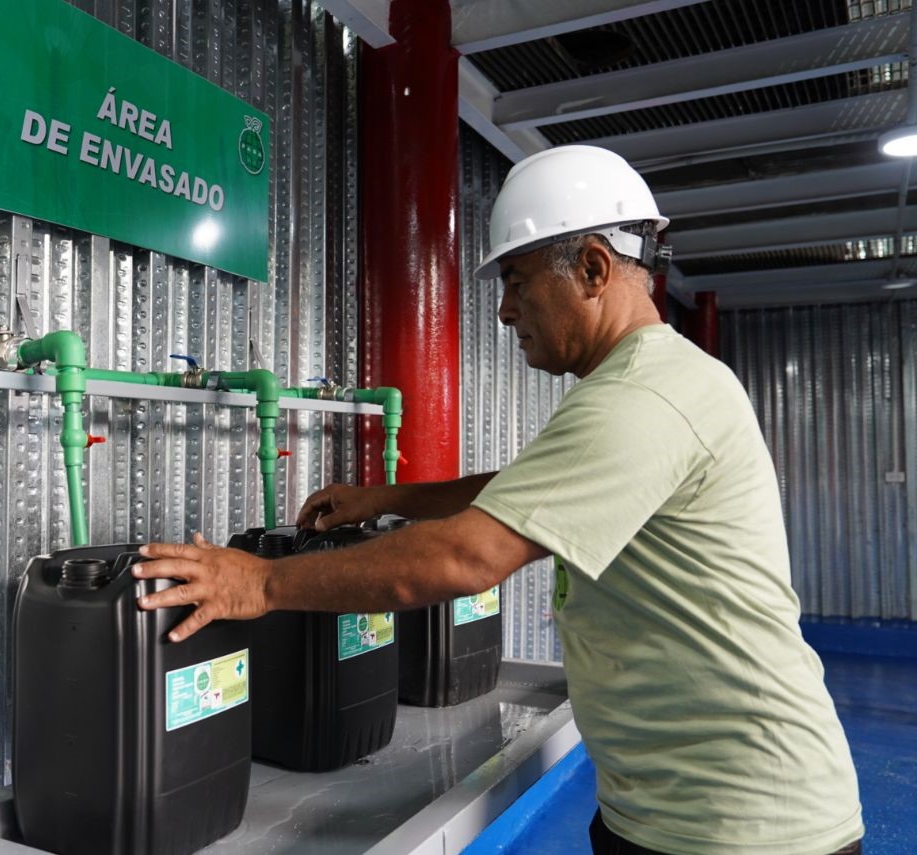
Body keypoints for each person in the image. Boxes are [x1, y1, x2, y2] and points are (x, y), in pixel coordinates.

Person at [132, 145, 864, 855]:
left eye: (517, 281)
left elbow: (468, 555)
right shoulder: (651, 382)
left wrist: (259, 582)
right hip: (667, 808)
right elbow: (525, 490)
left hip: (742, 824)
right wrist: (385, 497)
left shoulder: (645, 396)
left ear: (593, 268)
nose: (506, 311)